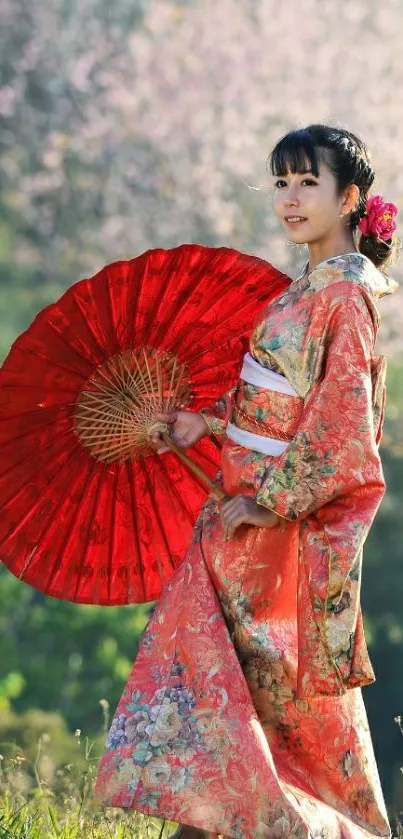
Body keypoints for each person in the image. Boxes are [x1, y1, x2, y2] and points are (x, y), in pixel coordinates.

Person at [94, 124, 400, 839]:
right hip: (238, 523)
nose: (289, 199)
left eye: (305, 183)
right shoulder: (308, 291)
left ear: (348, 197)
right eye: (279, 183)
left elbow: (341, 427)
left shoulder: (345, 300)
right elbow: (275, 400)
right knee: (228, 707)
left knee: (260, 715)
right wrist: (208, 422)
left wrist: (266, 502)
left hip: (271, 536)